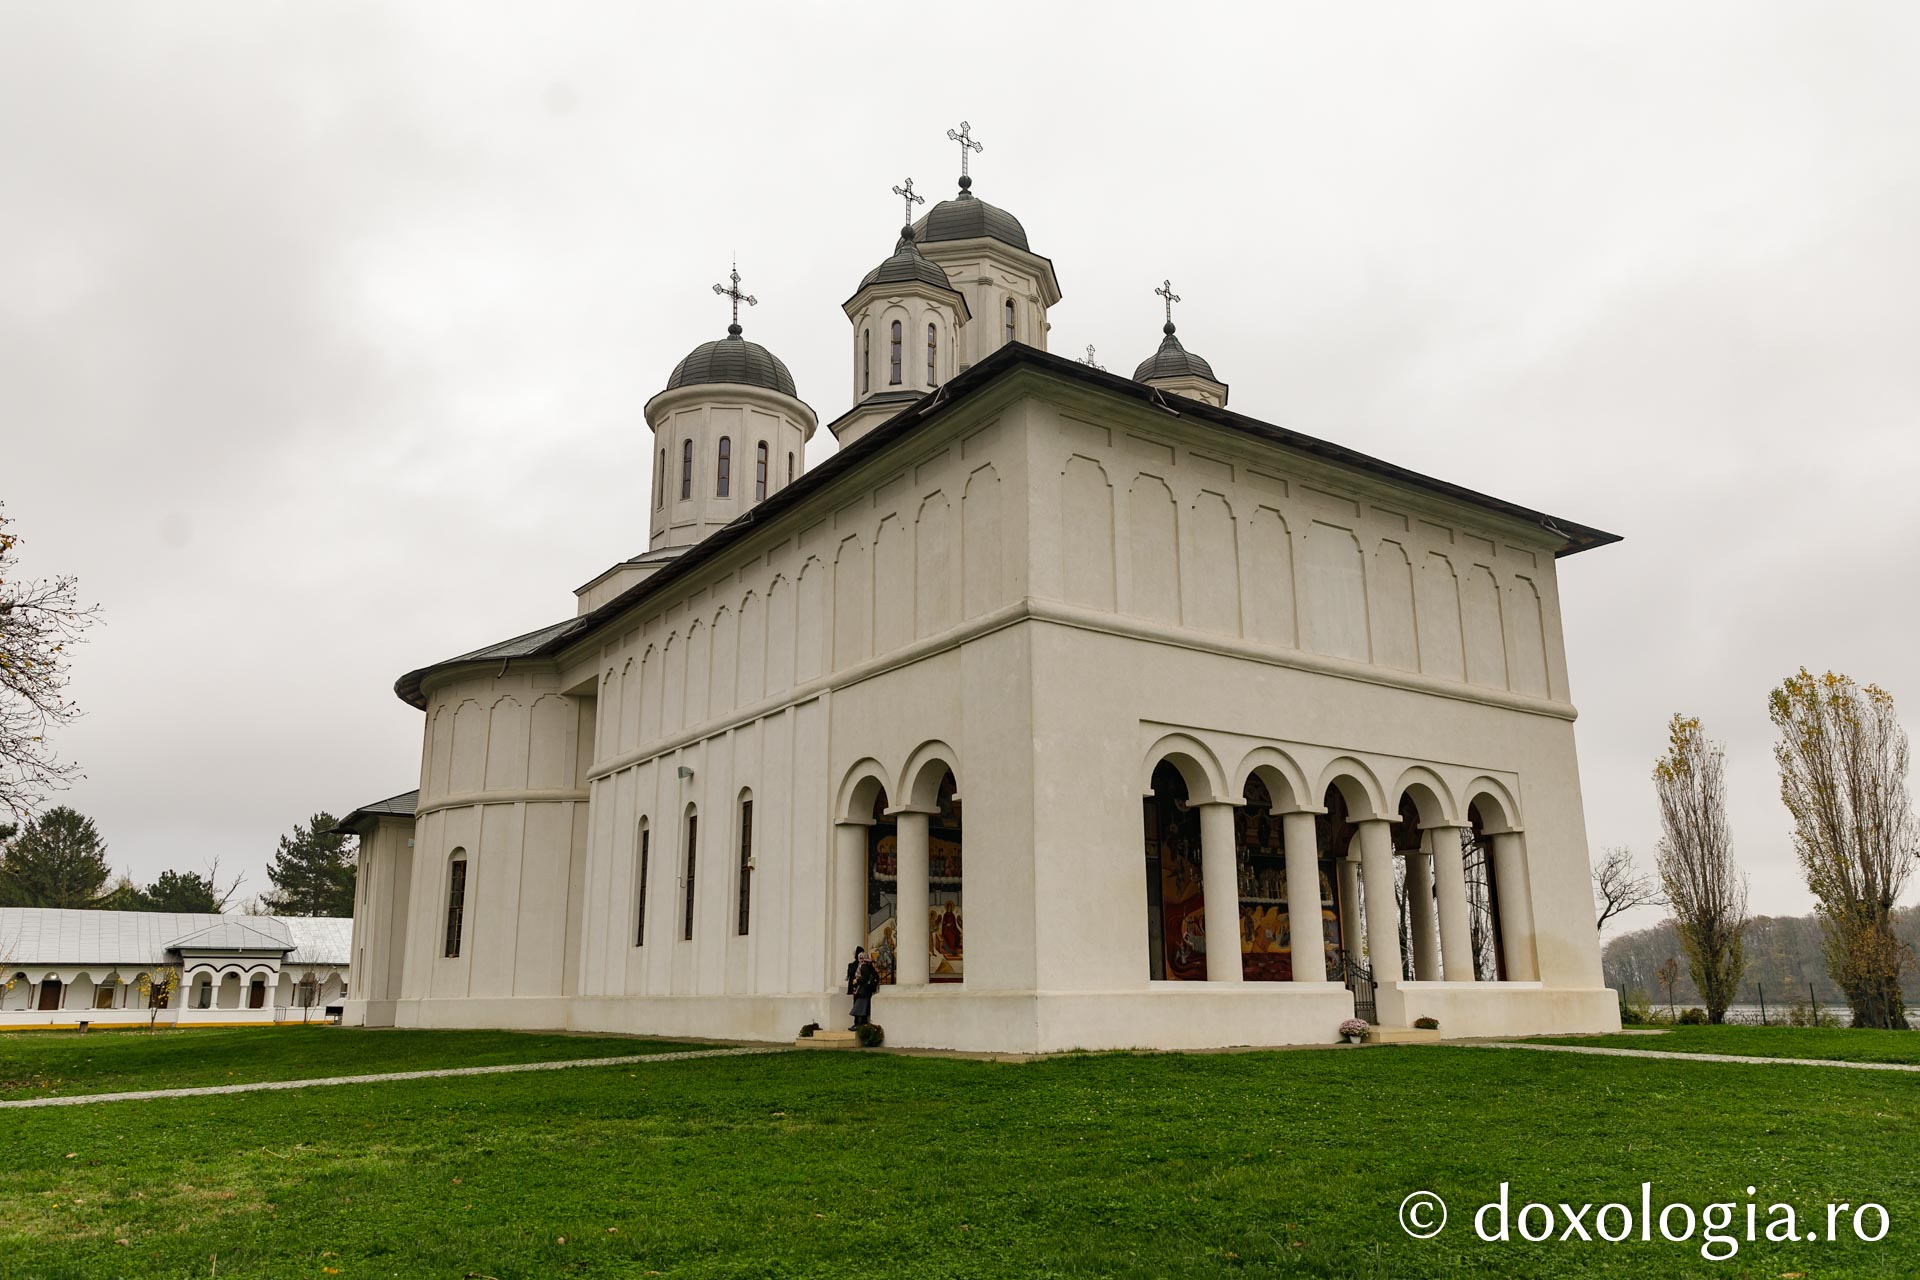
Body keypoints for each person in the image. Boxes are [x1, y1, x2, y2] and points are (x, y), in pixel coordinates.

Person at [846, 946, 880, 1029]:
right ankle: (859, 1024)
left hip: (863, 990)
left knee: (860, 1007)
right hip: (862, 990)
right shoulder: (864, 965)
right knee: (860, 1007)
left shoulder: (863, 966)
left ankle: (859, 1024)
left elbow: (864, 977)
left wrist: (857, 980)